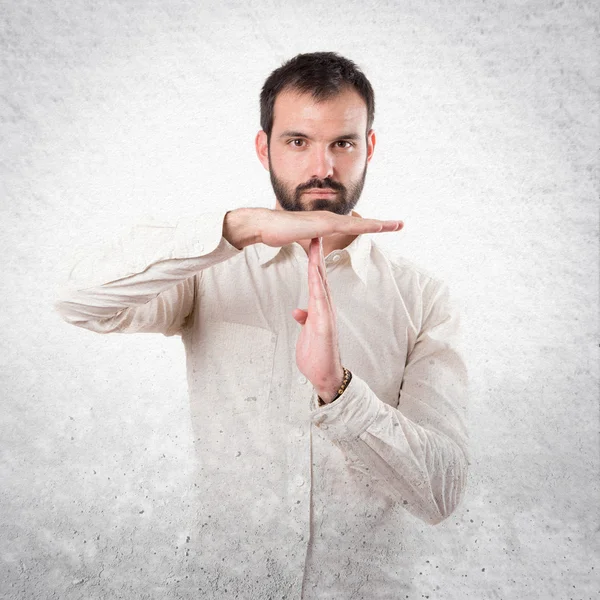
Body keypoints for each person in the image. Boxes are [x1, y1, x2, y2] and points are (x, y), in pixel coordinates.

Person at [56, 52, 469, 599]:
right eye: (297, 141)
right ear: (263, 147)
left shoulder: (423, 298)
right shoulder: (207, 271)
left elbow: (440, 493)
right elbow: (78, 301)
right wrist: (239, 226)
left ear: (368, 147)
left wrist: (337, 391)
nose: (322, 166)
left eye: (342, 143)